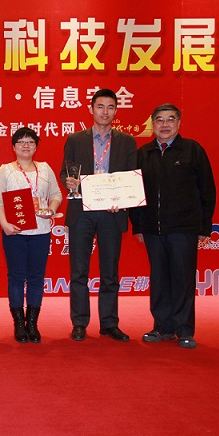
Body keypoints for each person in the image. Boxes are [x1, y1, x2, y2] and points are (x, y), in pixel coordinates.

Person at [130, 103, 216, 349]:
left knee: (182, 278)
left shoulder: (192, 150)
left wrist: (204, 227)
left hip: (184, 228)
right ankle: (162, 327)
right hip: (152, 229)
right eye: (159, 120)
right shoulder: (143, 153)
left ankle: (184, 329)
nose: (165, 125)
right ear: (153, 124)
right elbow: (135, 193)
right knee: (159, 279)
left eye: (170, 119)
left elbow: (207, 190)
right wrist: (138, 226)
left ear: (179, 123)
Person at [60, 88, 137, 342]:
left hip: (111, 213)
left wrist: (121, 200)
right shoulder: (75, 139)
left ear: (116, 111)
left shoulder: (127, 142)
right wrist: (69, 182)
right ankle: (79, 322)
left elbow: (131, 177)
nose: (105, 112)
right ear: (91, 109)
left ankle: (109, 323)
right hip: (81, 211)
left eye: (110, 107)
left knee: (110, 271)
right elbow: (65, 172)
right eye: (100, 106)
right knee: (78, 272)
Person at [0, 127, 62, 343]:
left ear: (36, 146)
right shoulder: (5, 170)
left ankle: (32, 323)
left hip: (41, 231)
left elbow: (56, 194)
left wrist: (51, 209)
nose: (26, 145)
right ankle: (18, 324)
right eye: (21, 142)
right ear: (13, 147)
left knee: (36, 277)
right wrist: (4, 224)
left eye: (30, 141)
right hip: (14, 231)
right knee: (16, 276)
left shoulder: (45, 168)